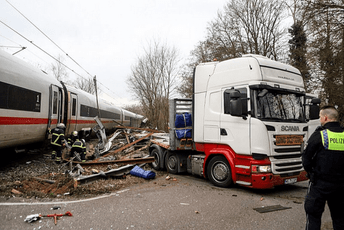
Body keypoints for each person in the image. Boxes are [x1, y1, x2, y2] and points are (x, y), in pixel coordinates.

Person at [302, 105, 344, 230]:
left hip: (319, 184)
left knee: (313, 216)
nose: (320, 119)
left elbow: (306, 159)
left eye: (320, 117)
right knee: (340, 219)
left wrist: (310, 173)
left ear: (325, 118)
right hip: (341, 186)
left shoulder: (319, 135)